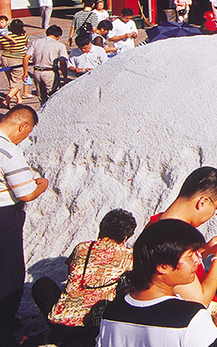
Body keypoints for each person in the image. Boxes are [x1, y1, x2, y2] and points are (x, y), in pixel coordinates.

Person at [97, 219, 217, 347]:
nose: (197, 261)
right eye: (190, 255)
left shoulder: (112, 312)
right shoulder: (191, 317)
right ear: (163, 266)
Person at [32, 209, 136, 342]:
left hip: (60, 323)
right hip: (93, 328)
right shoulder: (129, 255)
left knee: (42, 284)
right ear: (126, 237)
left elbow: (72, 272)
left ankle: (59, 336)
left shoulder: (81, 247)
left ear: (102, 227)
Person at [152, 167, 217, 307]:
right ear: (202, 202)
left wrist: (205, 251)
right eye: (216, 208)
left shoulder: (158, 224)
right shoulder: (173, 237)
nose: (213, 214)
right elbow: (198, 301)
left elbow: (177, 266)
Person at [0, 106, 48, 346]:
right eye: (26, 134)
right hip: (4, 217)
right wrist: (42, 184)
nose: (23, 139)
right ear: (22, 126)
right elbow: (26, 193)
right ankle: (7, 333)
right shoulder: (8, 151)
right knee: (9, 275)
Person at [27, 25, 68, 103]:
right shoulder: (59, 45)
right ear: (58, 36)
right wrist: (65, 77)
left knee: (41, 96)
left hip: (36, 72)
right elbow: (62, 63)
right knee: (52, 95)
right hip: (50, 72)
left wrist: (25, 72)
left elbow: (26, 57)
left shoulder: (35, 42)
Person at [0, 20, 29, 106]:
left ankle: (19, 99)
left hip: (5, 59)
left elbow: (1, 47)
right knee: (18, 82)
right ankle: (7, 100)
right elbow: (26, 44)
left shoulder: (3, 37)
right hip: (17, 60)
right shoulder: (24, 36)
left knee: (11, 80)